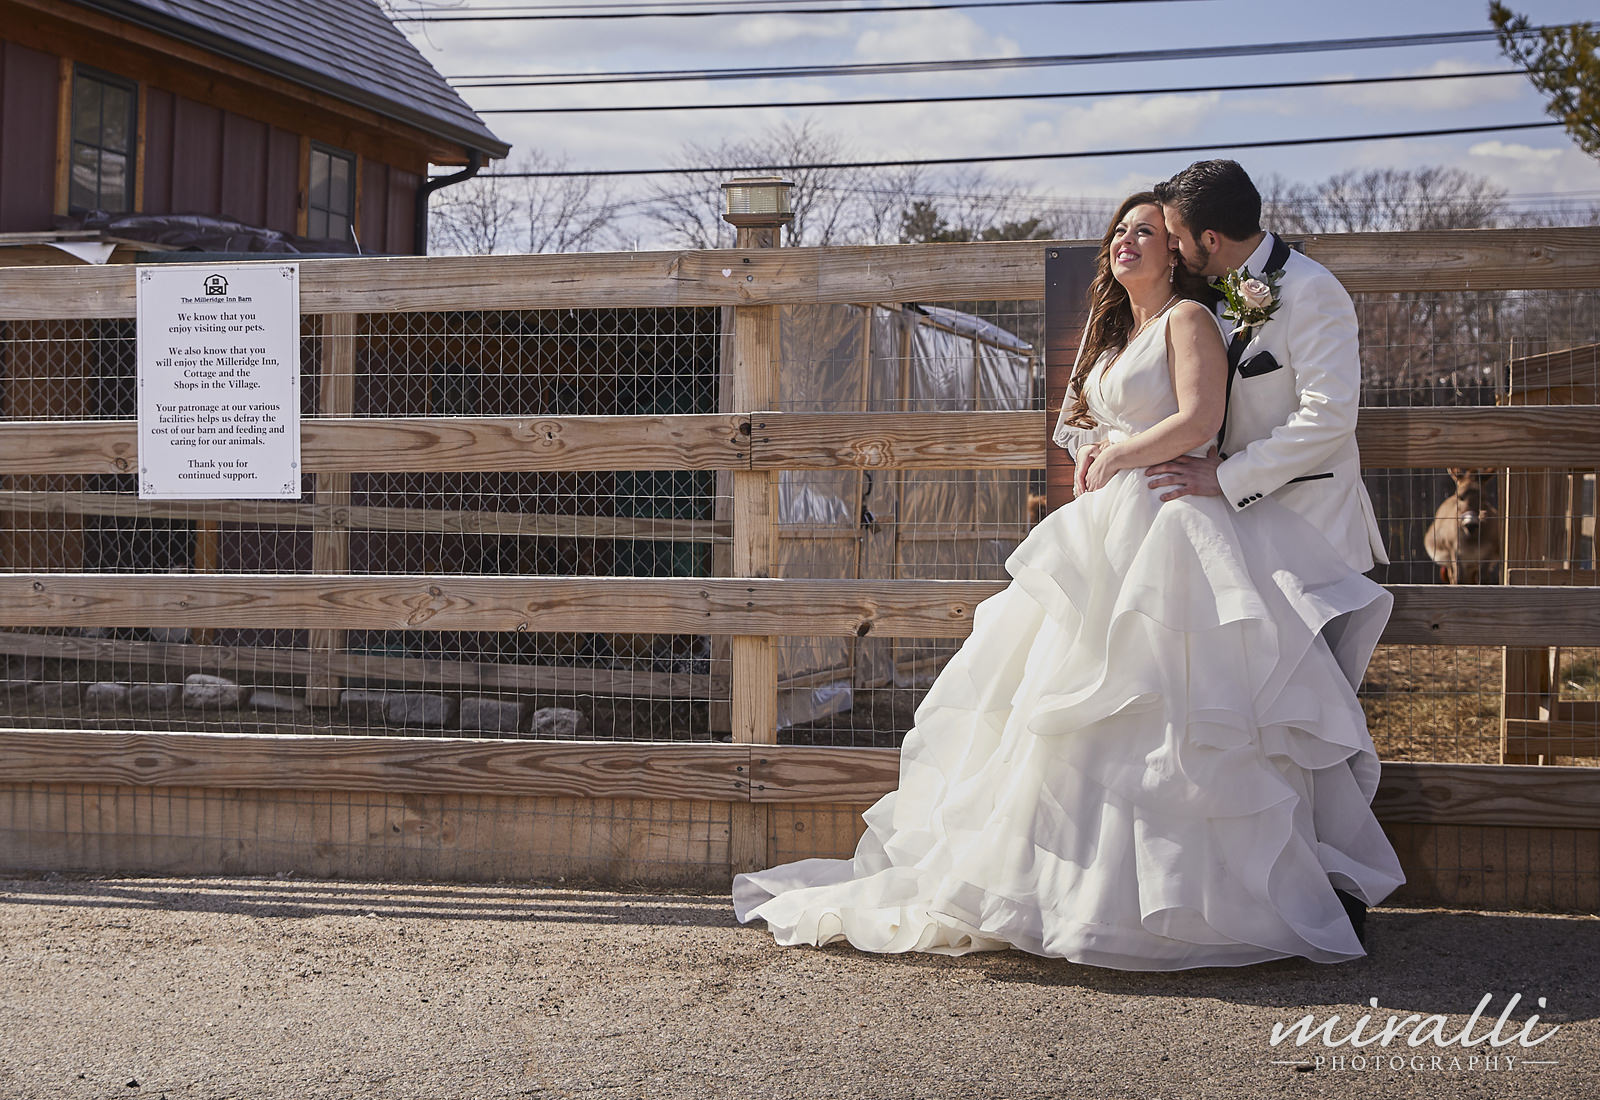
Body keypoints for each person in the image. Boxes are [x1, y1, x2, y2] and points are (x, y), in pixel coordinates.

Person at [730, 192, 1405, 970]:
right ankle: (1065, 887)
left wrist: (1120, 453)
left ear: (1180, 251)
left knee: (1167, 704)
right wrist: (1101, 445)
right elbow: (1094, 419)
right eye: (1120, 231)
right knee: (1063, 697)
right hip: (1112, 525)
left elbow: (1199, 419)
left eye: (1147, 232)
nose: (1127, 241)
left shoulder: (1190, 320)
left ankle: (1200, 901)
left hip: (1175, 520)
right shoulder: (1120, 335)